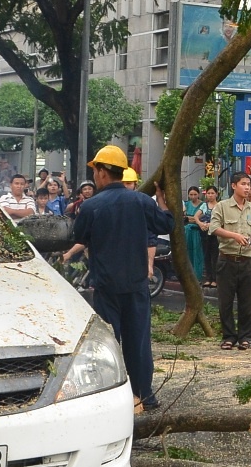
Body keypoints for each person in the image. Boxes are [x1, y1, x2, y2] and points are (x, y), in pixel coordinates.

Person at [61, 144, 173, 413]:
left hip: (106, 287)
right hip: (136, 286)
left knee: (107, 345)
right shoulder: (141, 201)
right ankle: (144, 395)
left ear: (102, 172)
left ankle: (107, 396)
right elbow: (166, 225)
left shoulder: (91, 206)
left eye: (95, 170)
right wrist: (162, 201)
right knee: (139, 344)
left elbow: (78, 236)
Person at [209, 174, 251, 349]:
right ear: (233, 186)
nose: (247, 188)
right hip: (227, 259)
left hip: (247, 260)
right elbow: (213, 228)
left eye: (249, 185)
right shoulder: (222, 206)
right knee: (225, 301)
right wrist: (234, 236)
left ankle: (246, 337)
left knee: (248, 302)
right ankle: (229, 337)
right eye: (243, 184)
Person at [180, 184, 206, 283]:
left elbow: (201, 218)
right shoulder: (186, 204)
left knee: (198, 253)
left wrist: (191, 218)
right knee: (188, 252)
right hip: (187, 231)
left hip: (198, 232)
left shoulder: (203, 205)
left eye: (195, 194)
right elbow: (183, 218)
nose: (193, 196)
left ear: (198, 194)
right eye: (191, 194)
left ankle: (197, 276)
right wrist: (193, 219)